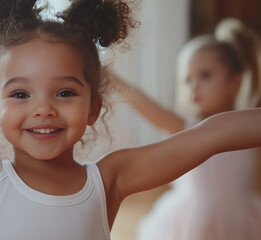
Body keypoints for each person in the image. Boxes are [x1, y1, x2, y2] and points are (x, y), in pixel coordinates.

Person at [0, 1, 260, 239]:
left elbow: (213, 134)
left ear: (94, 107)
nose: (43, 108)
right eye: (20, 93)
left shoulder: (109, 179)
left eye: (65, 92)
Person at [112, 19, 261, 240]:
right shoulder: (188, 129)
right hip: (193, 223)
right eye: (189, 79)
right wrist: (112, 80)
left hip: (239, 220)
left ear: (235, 82)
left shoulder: (250, 129)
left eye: (205, 75)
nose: (194, 86)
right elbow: (148, 108)